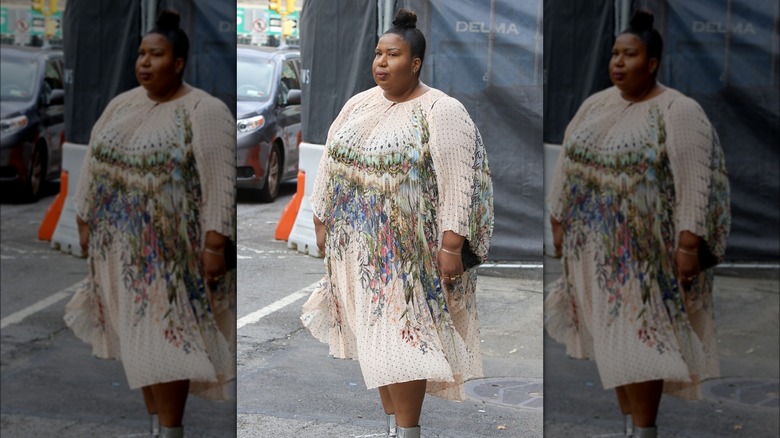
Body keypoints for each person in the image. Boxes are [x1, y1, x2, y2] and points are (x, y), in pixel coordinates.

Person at [300, 8, 493, 438]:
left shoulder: (442, 110)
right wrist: (321, 218)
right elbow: (331, 162)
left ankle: (408, 432)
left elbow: (459, 184)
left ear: (416, 62)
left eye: (392, 55)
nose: (381, 63)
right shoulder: (359, 103)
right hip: (358, 255)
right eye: (377, 54)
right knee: (377, 345)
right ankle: (393, 429)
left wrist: (450, 246)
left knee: (406, 344)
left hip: (410, 262)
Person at [545, 9, 730, 438]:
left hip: (649, 264)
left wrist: (687, 246)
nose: (618, 62)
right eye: (614, 54)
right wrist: (558, 219)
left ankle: (644, 430)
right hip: (595, 257)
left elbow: (695, 184)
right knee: (615, 348)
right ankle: (631, 428)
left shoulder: (678, 111)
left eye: (630, 54)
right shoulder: (596, 104)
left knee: (644, 345)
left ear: (652, 62)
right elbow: (568, 167)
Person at [63, 10, 236, 438]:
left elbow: (220, 183)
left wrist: (215, 245)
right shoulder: (121, 104)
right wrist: (83, 219)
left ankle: (170, 429)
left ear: (177, 63)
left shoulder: (204, 110)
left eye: (155, 54)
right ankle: (156, 427)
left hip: (174, 264)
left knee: (169, 345)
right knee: (139, 349)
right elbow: (93, 164)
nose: (144, 62)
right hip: (121, 257)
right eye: (141, 53)